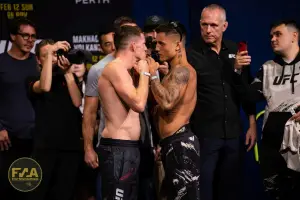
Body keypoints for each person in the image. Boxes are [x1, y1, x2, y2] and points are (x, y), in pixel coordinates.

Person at [187, 4, 257, 200]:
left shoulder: (236, 50)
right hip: (205, 135)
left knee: (230, 190)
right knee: (204, 191)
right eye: (204, 25)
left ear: (224, 26)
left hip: (234, 134)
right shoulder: (190, 54)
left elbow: (245, 88)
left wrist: (251, 124)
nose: (208, 30)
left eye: (214, 25)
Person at [235, 20, 300, 200]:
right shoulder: (267, 68)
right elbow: (249, 96)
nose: (272, 39)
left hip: (298, 146)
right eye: (271, 35)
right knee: (276, 195)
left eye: (278, 34)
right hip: (271, 148)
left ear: (294, 36)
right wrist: (239, 71)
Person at [82, 16, 137, 200]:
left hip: (140, 146)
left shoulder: (142, 64)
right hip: (114, 147)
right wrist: (88, 148)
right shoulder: (99, 69)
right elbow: (89, 113)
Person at [97, 25, 150, 200]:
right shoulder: (115, 68)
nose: (146, 49)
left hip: (129, 149)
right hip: (117, 149)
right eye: (143, 44)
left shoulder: (126, 71)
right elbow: (139, 104)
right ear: (134, 46)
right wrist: (144, 72)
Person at [150, 21, 200, 199]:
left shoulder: (183, 71)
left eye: (161, 43)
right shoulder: (171, 73)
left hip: (181, 145)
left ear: (178, 45)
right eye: (156, 43)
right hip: (168, 144)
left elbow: (167, 102)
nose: (157, 48)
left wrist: (151, 76)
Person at [27, 40, 83, 200]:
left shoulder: (67, 79)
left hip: (69, 149)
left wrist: (67, 73)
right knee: (39, 194)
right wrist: (52, 50)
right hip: (44, 149)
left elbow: (77, 102)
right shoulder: (32, 79)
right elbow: (45, 86)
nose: (51, 59)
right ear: (38, 59)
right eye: (46, 56)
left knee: (64, 194)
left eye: (54, 55)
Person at [0, 17, 39, 200]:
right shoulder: (1, 63)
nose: (30, 40)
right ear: (13, 36)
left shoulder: (38, 63)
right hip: (7, 139)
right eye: (25, 36)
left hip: (36, 138)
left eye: (33, 37)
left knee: (33, 191)